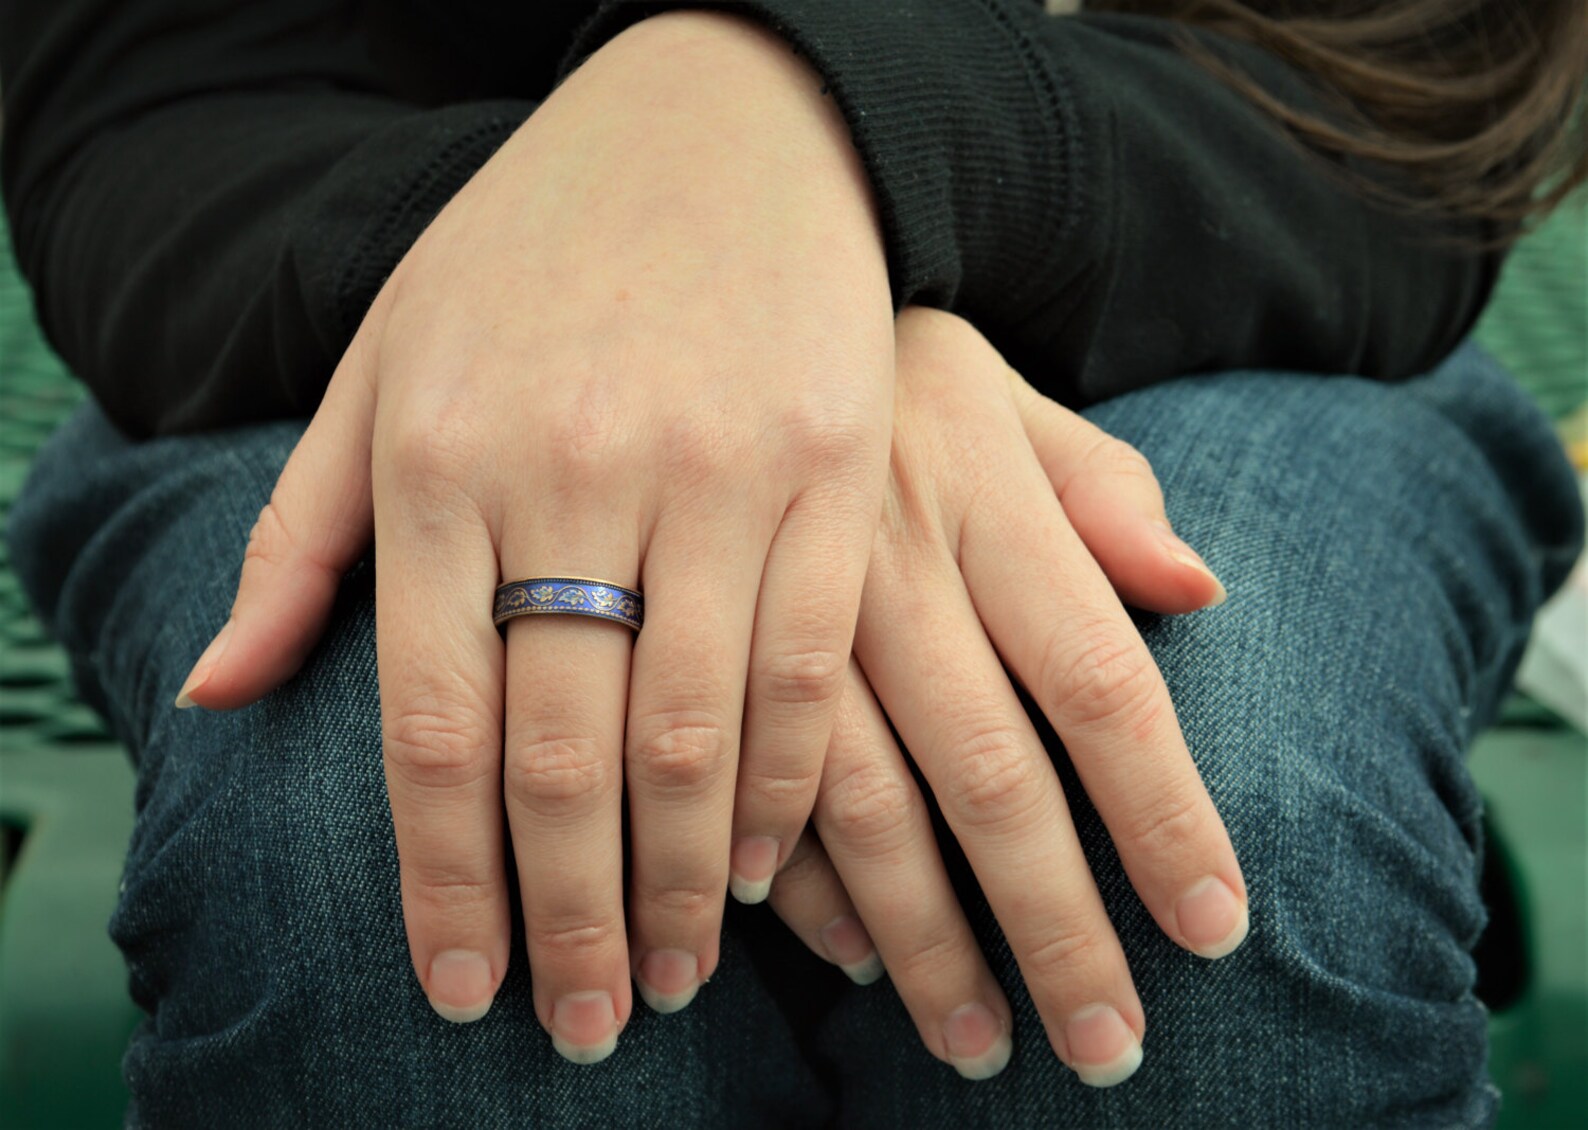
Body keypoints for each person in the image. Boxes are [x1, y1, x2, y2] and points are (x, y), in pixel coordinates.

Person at [2, 0, 1583, 1125]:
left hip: (1223, 236)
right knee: (382, 849)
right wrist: (649, 235)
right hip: (332, 286)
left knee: (1207, 815)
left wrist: (801, 126)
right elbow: (151, 93)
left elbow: (1403, 81)